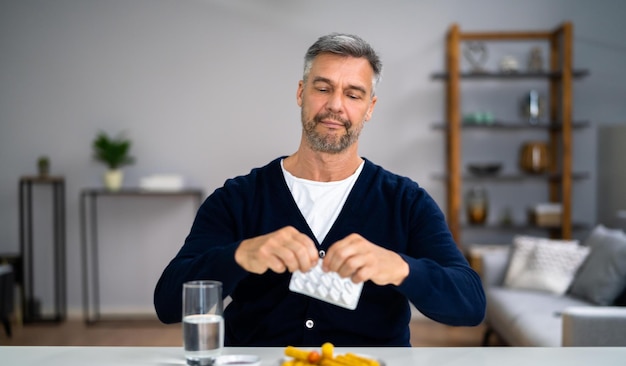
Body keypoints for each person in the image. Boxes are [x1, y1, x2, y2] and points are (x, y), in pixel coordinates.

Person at [154, 33, 485, 347]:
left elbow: (469, 304)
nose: (336, 105)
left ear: (370, 108)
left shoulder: (406, 202)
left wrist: (400, 267)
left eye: (353, 94)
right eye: (323, 88)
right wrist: (240, 255)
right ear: (301, 93)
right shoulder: (237, 198)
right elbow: (168, 303)